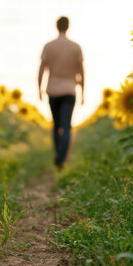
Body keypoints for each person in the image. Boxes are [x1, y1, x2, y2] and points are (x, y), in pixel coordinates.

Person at [38, 16, 84, 170]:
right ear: (68, 27)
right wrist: (83, 91)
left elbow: (41, 69)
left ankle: (58, 153)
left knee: (56, 125)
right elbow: (81, 71)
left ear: (56, 26)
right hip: (70, 90)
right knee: (66, 126)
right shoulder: (76, 47)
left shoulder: (49, 46)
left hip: (53, 90)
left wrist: (39, 88)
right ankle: (62, 159)